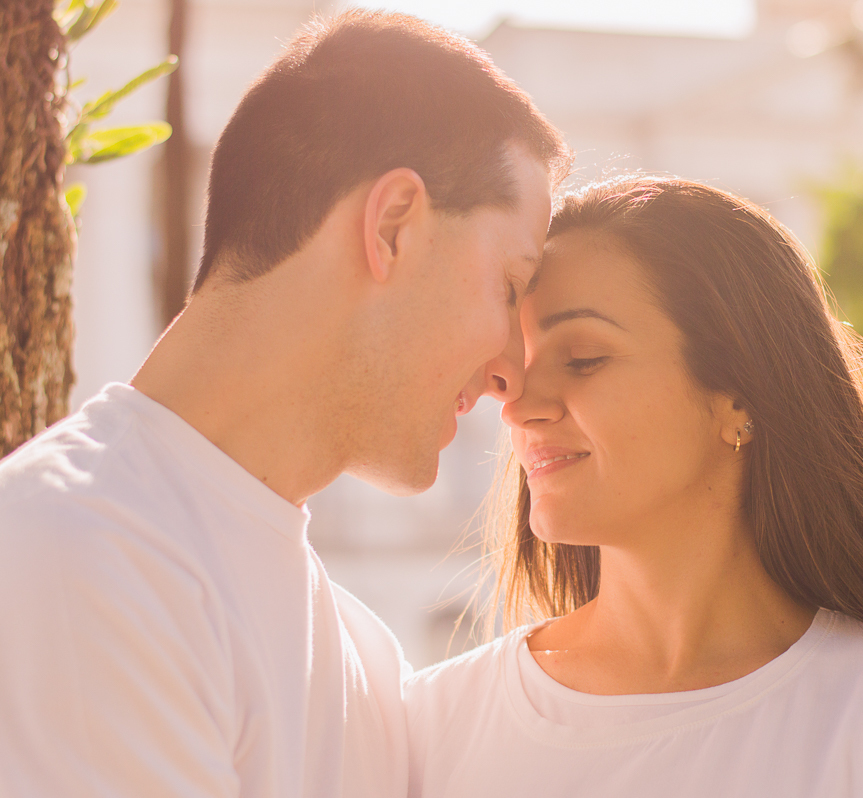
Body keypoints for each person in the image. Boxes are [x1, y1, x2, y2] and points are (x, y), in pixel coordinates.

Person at [0, 9, 569, 797]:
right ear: (393, 227)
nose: (513, 370)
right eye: (509, 286)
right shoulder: (75, 552)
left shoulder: (366, 661)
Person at [404, 177, 863, 797]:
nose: (518, 408)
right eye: (515, 368)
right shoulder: (430, 723)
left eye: (584, 358)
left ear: (739, 397)